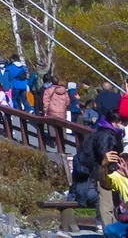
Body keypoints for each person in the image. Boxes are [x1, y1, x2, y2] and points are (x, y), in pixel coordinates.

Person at [70, 94, 124, 230]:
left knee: (114, 203)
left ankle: (113, 228)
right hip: (105, 171)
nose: (122, 125)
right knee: (107, 203)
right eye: (120, 122)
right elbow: (103, 154)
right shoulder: (106, 134)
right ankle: (109, 229)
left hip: (109, 171)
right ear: (114, 121)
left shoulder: (107, 131)